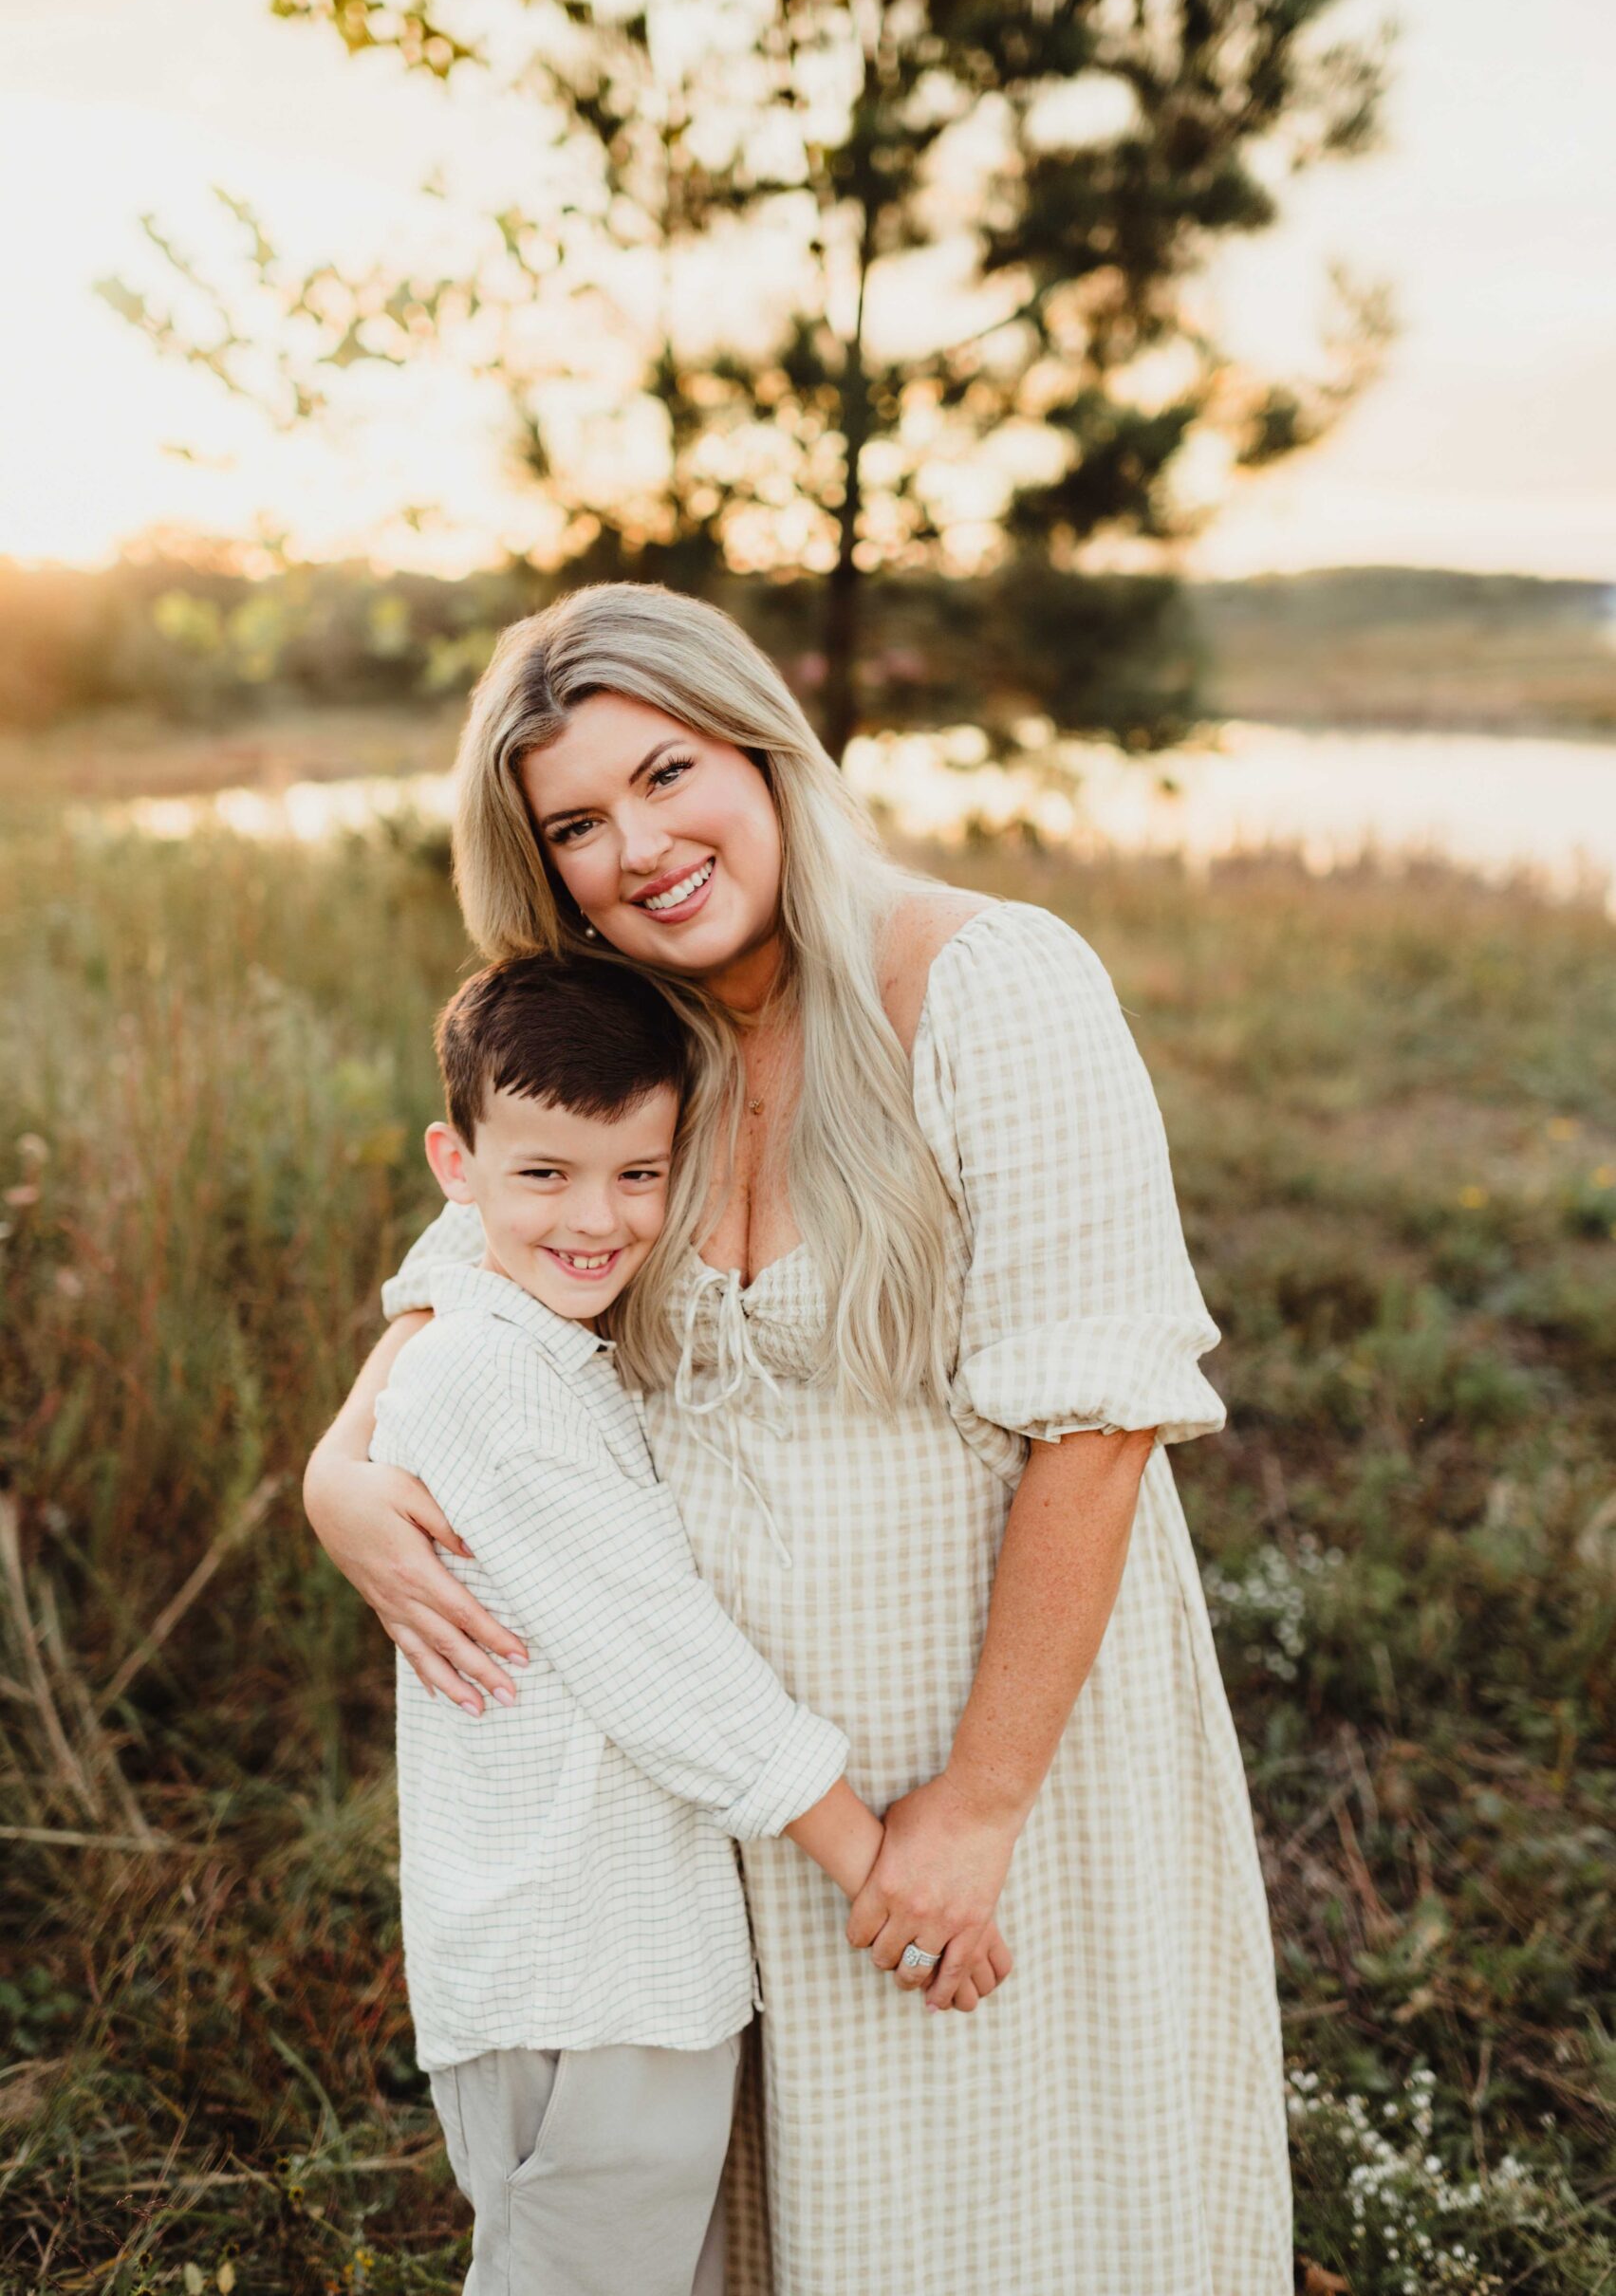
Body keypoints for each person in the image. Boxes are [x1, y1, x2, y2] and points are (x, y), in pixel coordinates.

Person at [306, 583, 1292, 2296]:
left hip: (998, 1738)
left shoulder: (988, 985)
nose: (641, 848)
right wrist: (339, 1466)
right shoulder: (632, 1038)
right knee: (798, 2224)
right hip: (735, 1782)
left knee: (1024, 2196)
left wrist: (976, 1806)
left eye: (667, 773)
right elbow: (467, 1272)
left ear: (763, 747)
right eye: (578, 826)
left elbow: (1102, 1425)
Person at [373, 952, 1012, 2296]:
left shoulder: (546, 1343)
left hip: (632, 1962)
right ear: (455, 1165)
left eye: (638, 1174)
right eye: (544, 1174)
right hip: (571, 1976)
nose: (594, 1219)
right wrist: (886, 1878)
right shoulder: (486, 1376)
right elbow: (668, 1668)